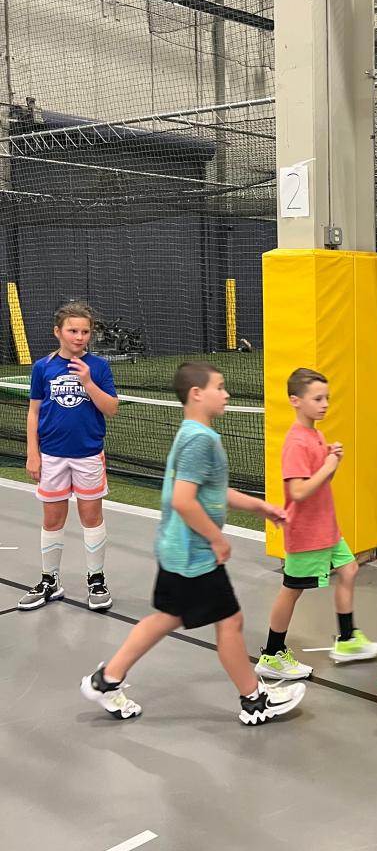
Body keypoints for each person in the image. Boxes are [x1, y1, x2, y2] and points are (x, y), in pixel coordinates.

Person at [80, 362, 305, 726]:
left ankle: (106, 680)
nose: (227, 393)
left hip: (176, 549)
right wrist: (217, 539)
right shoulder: (200, 440)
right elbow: (185, 500)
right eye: (220, 386)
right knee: (230, 622)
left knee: (166, 618)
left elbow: (209, 490)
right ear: (197, 394)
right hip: (193, 554)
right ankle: (253, 700)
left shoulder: (192, 433)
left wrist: (259, 506)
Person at [255, 367, 377, 680]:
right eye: (317, 398)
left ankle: (347, 639)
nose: (325, 403)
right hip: (306, 533)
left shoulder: (316, 435)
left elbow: (322, 481)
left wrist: (332, 463)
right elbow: (298, 491)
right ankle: (272, 654)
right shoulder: (296, 442)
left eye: (327, 397)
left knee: (349, 569)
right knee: (291, 590)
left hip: (326, 528)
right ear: (295, 401)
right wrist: (328, 465)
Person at [19, 300, 119, 613]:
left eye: (85, 331)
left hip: (88, 455)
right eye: (72, 330)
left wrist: (88, 382)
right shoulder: (43, 367)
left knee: (91, 517)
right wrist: (32, 452)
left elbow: (111, 409)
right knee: (52, 519)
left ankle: (96, 580)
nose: (79, 336)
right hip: (51, 457)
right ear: (57, 332)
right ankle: (50, 581)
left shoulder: (99, 367)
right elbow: (34, 411)